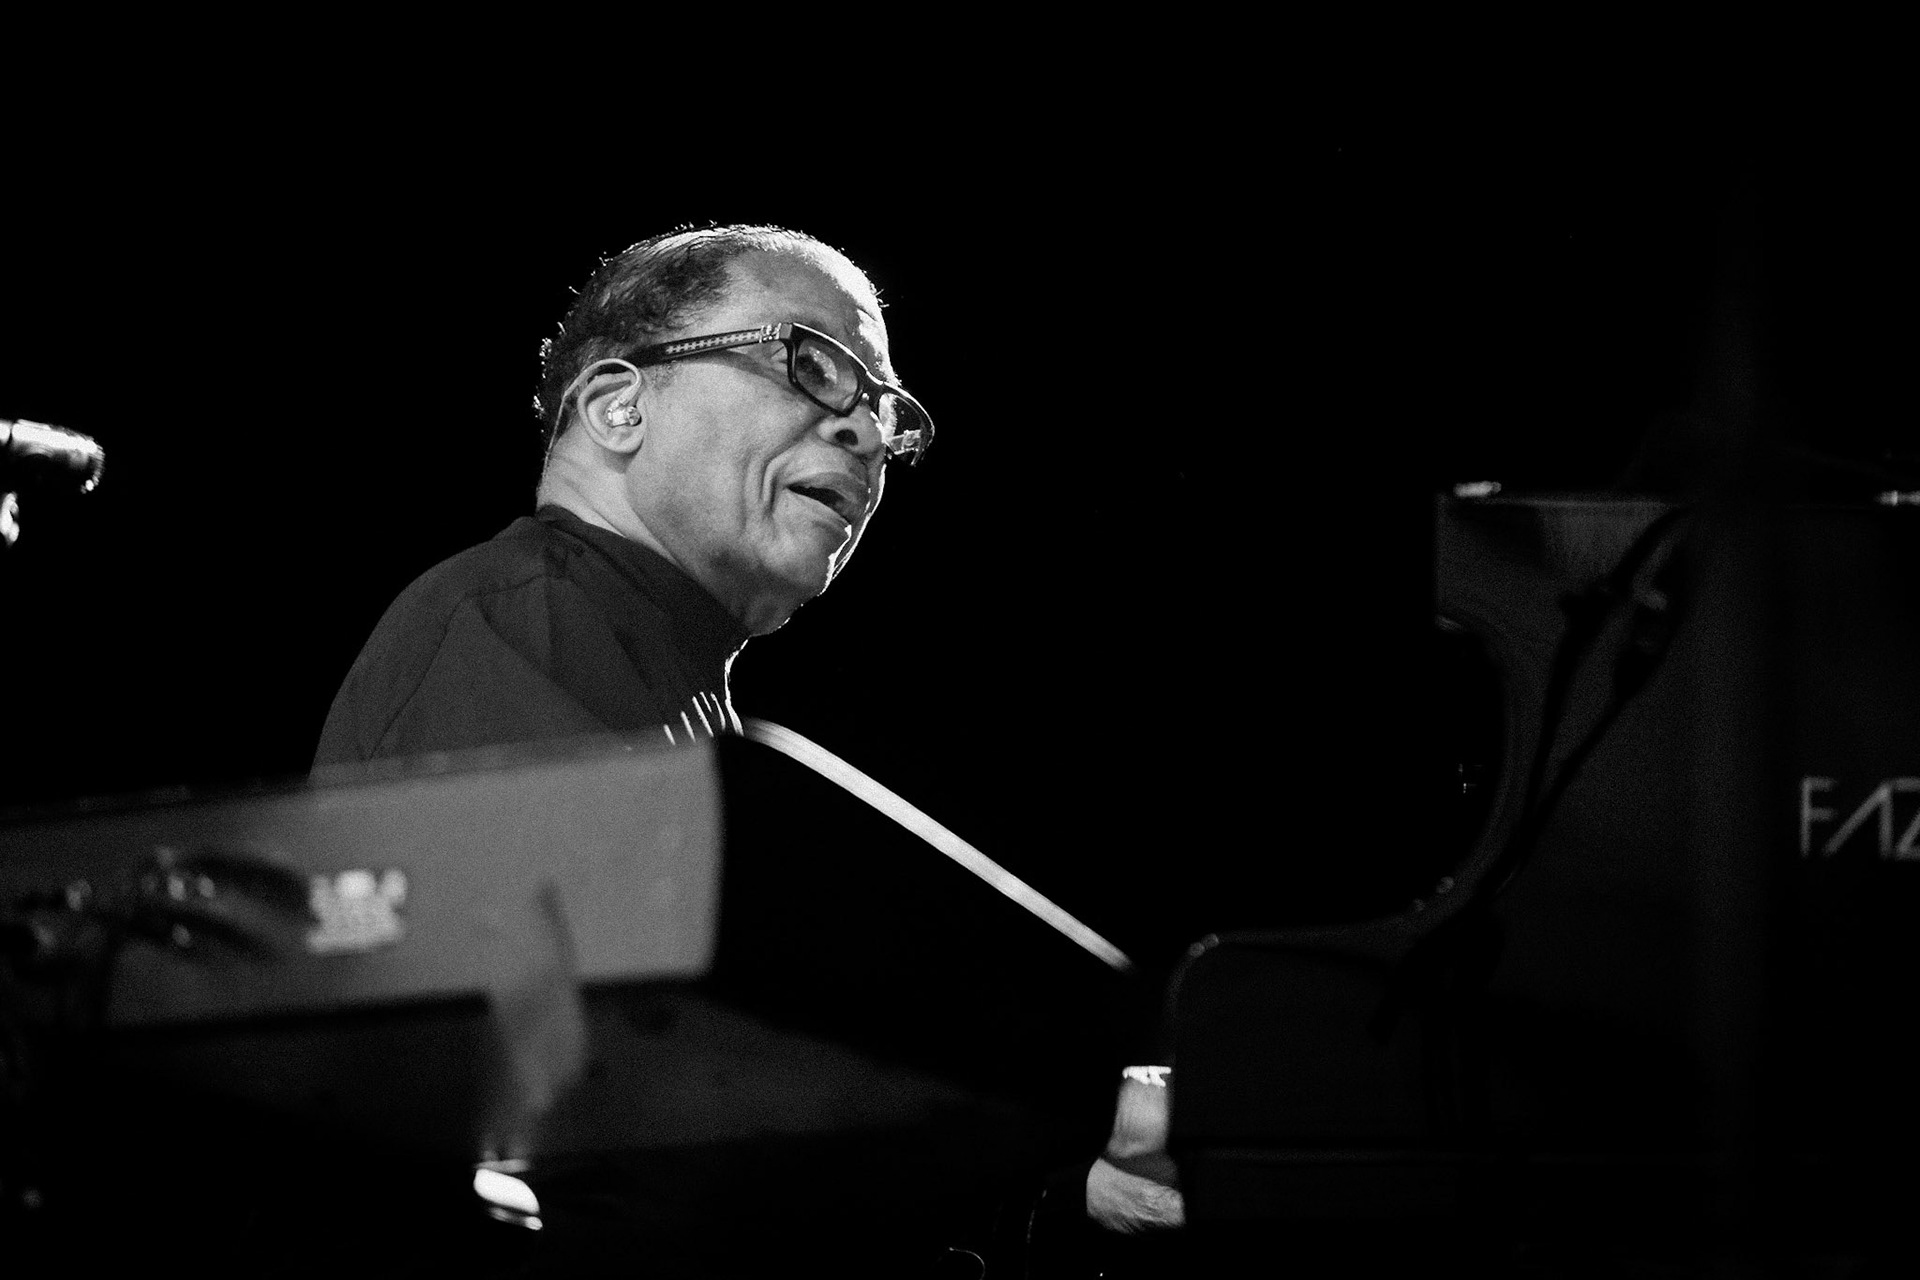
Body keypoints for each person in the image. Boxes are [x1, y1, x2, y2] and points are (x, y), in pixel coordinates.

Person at [311, 224, 1181, 1264]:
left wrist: (1069, 1181)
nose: (865, 434)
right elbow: (598, 1130)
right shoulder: (517, 620)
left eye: (885, 413)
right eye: (816, 365)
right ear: (618, 405)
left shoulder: (662, 673)